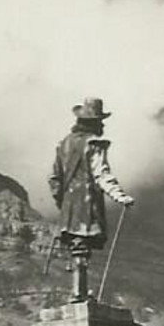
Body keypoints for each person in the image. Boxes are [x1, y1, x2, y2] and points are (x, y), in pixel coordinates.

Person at [48, 96, 134, 251]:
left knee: (76, 253)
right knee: (83, 252)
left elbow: (54, 179)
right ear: (93, 123)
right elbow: (101, 174)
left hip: (67, 215)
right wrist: (120, 196)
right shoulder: (94, 144)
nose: (102, 125)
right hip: (87, 212)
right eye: (99, 121)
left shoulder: (64, 144)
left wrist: (62, 203)